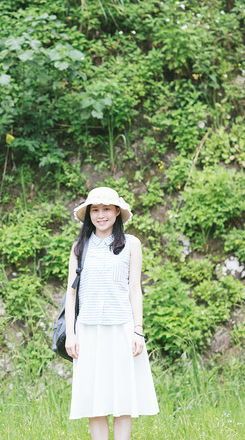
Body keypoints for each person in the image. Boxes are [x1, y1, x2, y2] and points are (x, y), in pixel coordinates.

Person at [65, 187, 159, 440]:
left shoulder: (131, 244)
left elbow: (134, 289)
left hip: (122, 328)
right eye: (95, 210)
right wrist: (71, 335)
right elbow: (71, 293)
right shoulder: (79, 247)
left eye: (106, 209)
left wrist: (138, 330)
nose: (101, 215)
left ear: (117, 211)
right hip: (88, 330)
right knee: (94, 399)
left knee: (123, 396)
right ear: (88, 214)